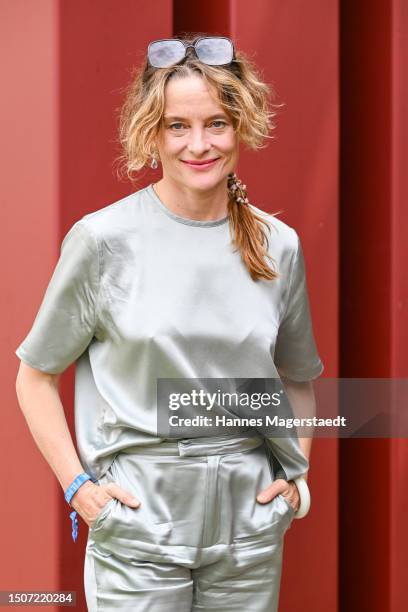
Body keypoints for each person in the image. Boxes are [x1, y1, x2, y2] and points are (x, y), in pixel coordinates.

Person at [15, 34, 324, 612]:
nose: (199, 145)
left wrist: (295, 483)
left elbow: (298, 377)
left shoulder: (277, 245)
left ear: (242, 125)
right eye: (178, 126)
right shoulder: (103, 241)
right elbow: (33, 377)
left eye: (216, 123)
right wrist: (80, 490)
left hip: (250, 527)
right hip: (138, 522)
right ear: (151, 133)